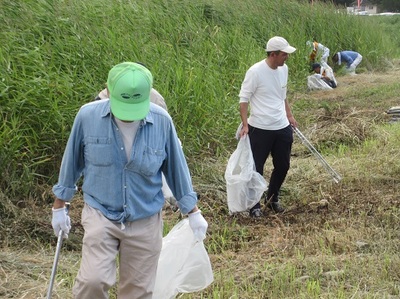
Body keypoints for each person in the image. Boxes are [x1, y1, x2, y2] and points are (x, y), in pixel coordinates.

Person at [51, 62, 208, 299]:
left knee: (137, 291)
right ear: (109, 93)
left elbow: (177, 168)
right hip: (100, 212)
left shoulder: (162, 121)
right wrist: (59, 206)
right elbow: (71, 161)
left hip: (144, 216)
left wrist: (193, 212)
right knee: (92, 282)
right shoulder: (87, 116)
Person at [238, 36, 298, 218]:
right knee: (257, 168)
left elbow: (283, 95)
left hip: (281, 126)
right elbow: (243, 99)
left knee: (283, 165)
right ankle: (254, 205)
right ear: (273, 54)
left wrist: (289, 115)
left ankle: (272, 199)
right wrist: (245, 124)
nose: (287, 57)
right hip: (260, 128)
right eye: (284, 54)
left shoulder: (284, 69)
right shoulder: (255, 72)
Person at [95, 82, 178, 211]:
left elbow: (163, 131)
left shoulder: (155, 98)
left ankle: (172, 197)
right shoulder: (103, 97)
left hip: (146, 140)